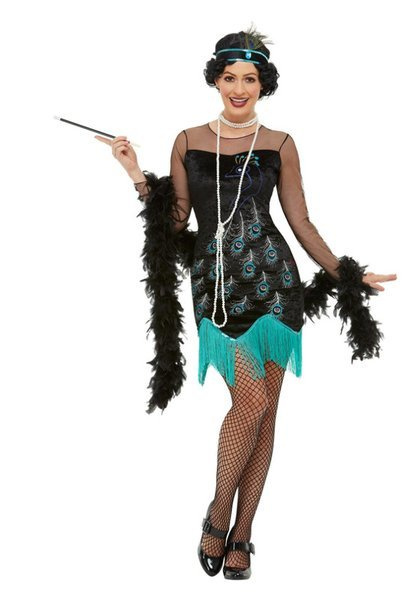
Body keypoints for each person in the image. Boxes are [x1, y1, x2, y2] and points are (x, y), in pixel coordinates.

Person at [95, 25, 397, 581]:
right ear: (216, 80)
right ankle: (217, 513)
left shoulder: (280, 144)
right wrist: (135, 173)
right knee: (250, 402)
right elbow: (175, 221)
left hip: (276, 285)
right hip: (217, 288)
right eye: (230, 78)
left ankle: (242, 532)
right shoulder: (188, 140)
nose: (239, 89)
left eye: (250, 79)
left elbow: (300, 221)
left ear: (263, 85)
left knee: (266, 412)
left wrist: (348, 276)